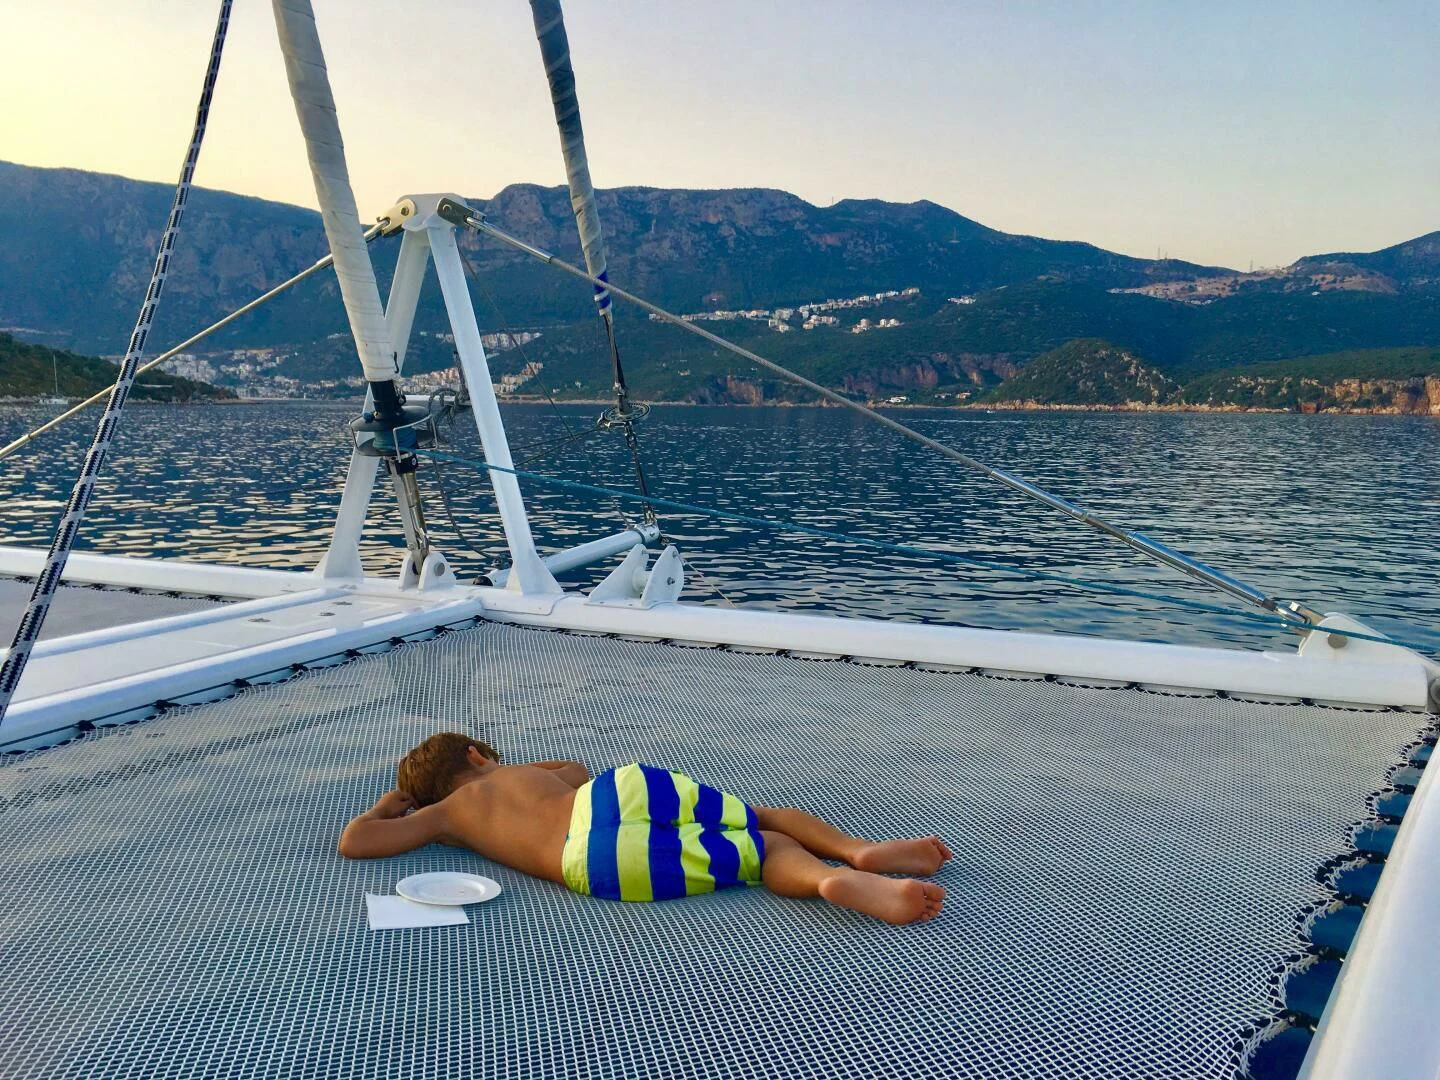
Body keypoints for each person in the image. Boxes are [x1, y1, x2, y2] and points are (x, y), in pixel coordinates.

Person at [340, 732, 949, 925]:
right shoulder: (520, 771)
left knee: (762, 853)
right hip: (613, 792)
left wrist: (400, 803)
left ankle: (824, 882)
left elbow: (356, 842)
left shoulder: (450, 819)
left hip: (595, 860)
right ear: (478, 754)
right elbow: (577, 773)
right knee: (760, 817)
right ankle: (859, 851)